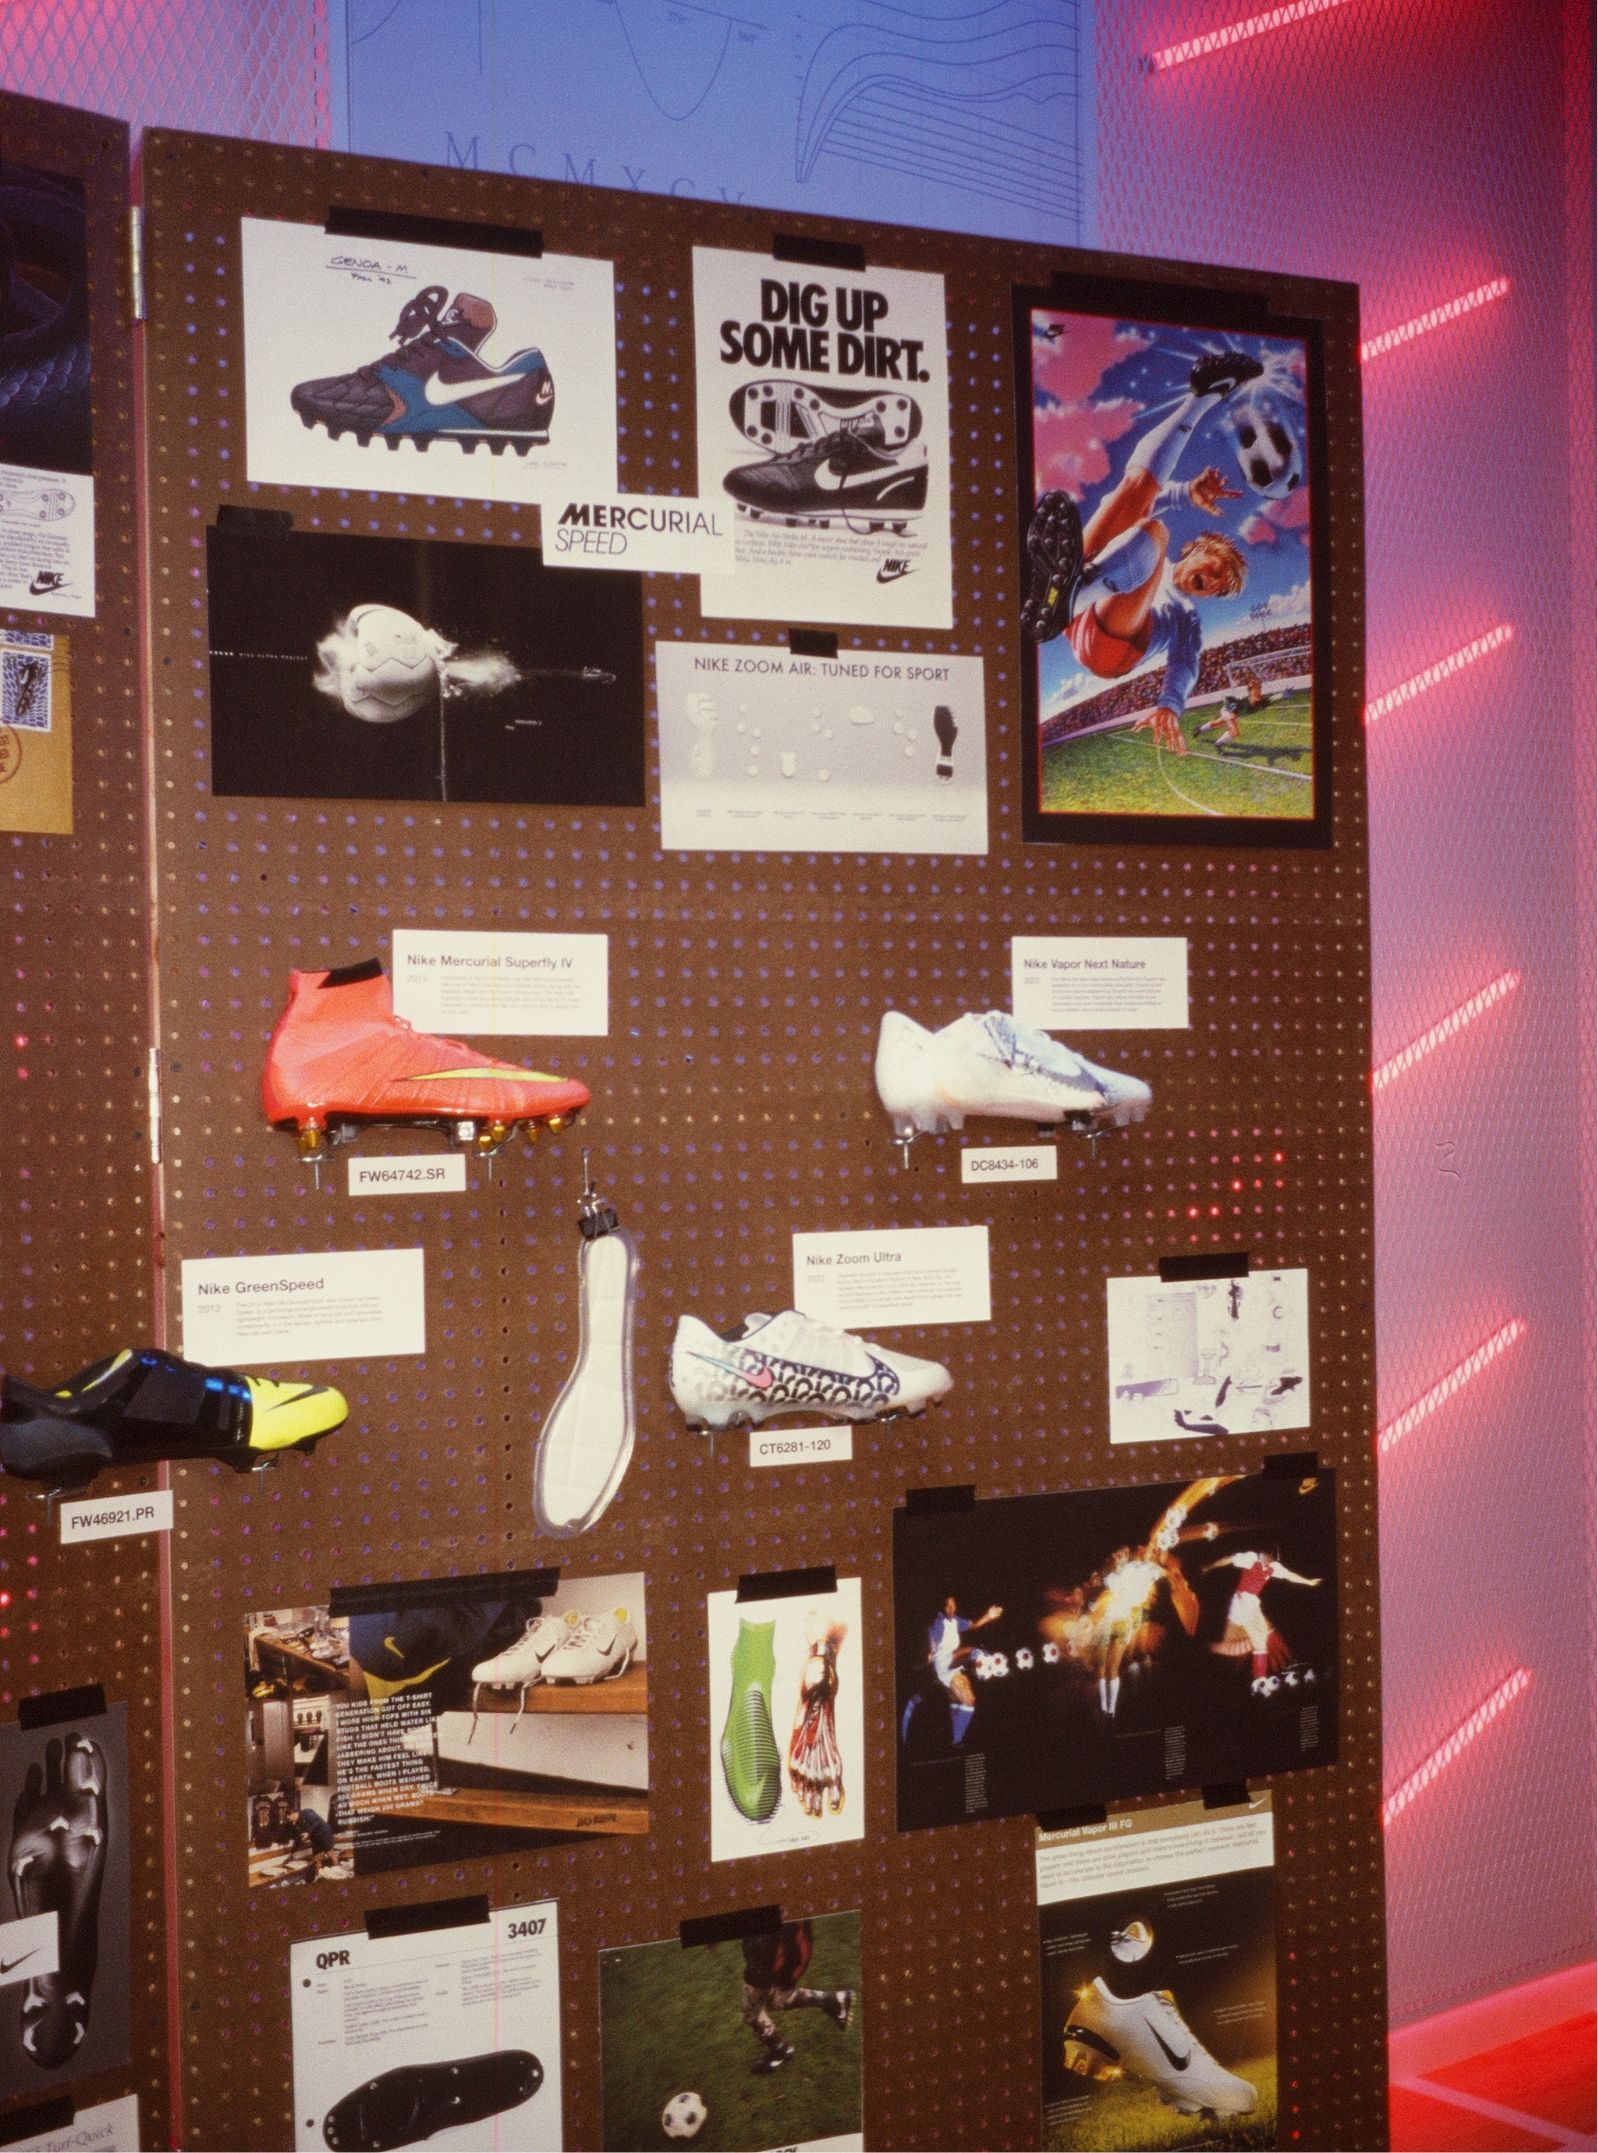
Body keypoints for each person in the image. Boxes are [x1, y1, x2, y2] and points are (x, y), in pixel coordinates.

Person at [1024, 352, 1263, 754]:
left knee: (1154, 530)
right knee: (1132, 492)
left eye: (1220, 588)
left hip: (1111, 648)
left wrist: (1170, 704)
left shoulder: (1184, 615)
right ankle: (1203, 396)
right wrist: (1185, 492)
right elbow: (1145, 499)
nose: (1214, 583)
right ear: (1197, 548)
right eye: (1218, 569)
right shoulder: (1138, 557)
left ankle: (1068, 595)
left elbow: (1185, 663)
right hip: (1080, 610)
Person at [739, 1921, 855, 2073]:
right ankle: (833, 2001)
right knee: (775, 1999)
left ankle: (780, 2051)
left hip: (779, 1946)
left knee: (752, 2012)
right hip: (784, 1943)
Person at [1204, 1548, 1321, 1693]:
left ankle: (1259, 1677)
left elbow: (1290, 1576)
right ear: (1263, 1554)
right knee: (1255, 1638)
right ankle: (1213, 1650)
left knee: (1261, 1638)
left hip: (1251, 1603)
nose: (1268, 1563)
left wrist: (1308, 1582)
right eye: (1267, 1559)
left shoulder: (1274, 1567)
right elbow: (1228, 1559)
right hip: (1241, 1602)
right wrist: (1209, 1566)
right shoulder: (1251, 1558)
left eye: (1271, 1561)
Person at [899, 1593, 1003, 1748]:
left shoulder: (955, 1621)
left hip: (953, 1666)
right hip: (944, 1663)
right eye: (948, 1606)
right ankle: (956, 1741)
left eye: (953, 1605)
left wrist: (988, 1616)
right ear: (942, 1608)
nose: (951, 1609)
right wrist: (930, 1651)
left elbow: (973, 1625)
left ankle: (955, 1740)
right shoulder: (938, 1624)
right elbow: (933, 1639)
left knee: (961, 1700)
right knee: (972, 1653)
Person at [283, 1797, 336, 1882]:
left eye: (288, 1818)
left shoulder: (307, 1812)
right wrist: (291, 1854)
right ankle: (318, 1878)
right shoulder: (297, 1824)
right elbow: (298, 1840)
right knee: (316, 1859)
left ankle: (339, 1875)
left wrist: (308, 1833)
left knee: (330, 1854)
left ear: (292, 1814)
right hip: (315, 1840)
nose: (288, 1820)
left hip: (324, 1834)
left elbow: (317, 1822)